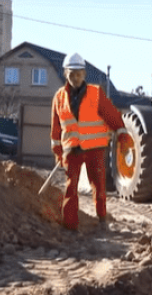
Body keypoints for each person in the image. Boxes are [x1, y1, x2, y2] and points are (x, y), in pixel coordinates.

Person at [50, 52, 125, 230]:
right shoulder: (59, 98)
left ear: (84, 74)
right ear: (65, 73)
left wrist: (120, 131)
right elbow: (55, 130)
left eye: (79, 74)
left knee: (99, 186)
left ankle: (102, 219)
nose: (75, 78)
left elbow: (111, 114)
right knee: (70, 187)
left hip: (94, 148)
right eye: (72, 74)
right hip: (71, 149)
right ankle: (70, 225)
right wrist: (58, 152)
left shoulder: (96, 93)